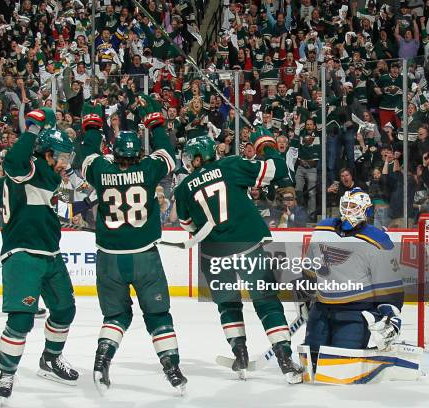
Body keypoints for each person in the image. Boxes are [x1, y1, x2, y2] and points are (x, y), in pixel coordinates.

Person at [173, 133, 303, 383]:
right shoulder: (230, 165)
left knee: (228, 305)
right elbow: (275, 170)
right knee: (266, 302)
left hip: (213, 254)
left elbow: (188, 226)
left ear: (199, 158)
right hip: (246, 246)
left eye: (191, 158)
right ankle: (285, 360)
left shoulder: (182, 189)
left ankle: (240, 355)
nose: (189, 162)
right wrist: (268, 147)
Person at [80, 95, 187, 395]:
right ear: (138, 153)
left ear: (114, 153)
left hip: (110, 259)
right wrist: (154, 122)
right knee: (158, 315)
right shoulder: (150, 168)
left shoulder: (102, 170)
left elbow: (86, 157)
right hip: (144, 257)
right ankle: (172, 369)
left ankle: (102, 361)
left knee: (115, 316)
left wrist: (92, 125)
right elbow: (168, 154)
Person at [0, 108, 79, 400]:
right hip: (23, 253)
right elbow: (12, 161)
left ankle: (50, 359)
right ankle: (7, 373)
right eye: (61, 157)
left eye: (67, 158)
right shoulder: (31, 167)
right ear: (46, 154)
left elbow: (38, 203)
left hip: (50, 252)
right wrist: (34, 128)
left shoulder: (49, 175)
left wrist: (57, 218)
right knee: (21, 320)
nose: (65, 163)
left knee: (65, 310)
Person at [302, 189, 403, 374]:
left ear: (366, 211)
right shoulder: (323, 229)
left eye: (354, 206)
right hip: (322, 310)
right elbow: (310, 269)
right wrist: (306, 296)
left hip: (356, 312)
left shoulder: (377, 240)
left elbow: (390, 283)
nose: (348, 210)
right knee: (310, 364)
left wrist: (390, 315)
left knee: (339, 367)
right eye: (346, 205)